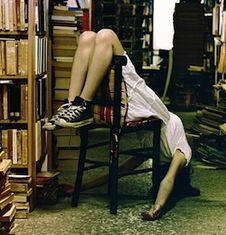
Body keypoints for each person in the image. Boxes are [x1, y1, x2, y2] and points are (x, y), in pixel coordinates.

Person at [44, 29, 193, 221]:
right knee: (87, 37)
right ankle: (73, 105)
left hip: (140, 106)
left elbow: (165, 179)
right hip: (143, 108)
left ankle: (80, 103)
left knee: (105, 36)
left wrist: (156, 208)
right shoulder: (164, 152)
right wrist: (78, 189)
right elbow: (121, 172)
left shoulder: (178, 154)